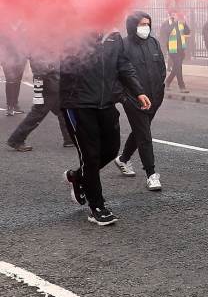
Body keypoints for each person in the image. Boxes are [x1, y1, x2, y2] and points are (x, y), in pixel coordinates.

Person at [61, 31, 150, 226]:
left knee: (111, 149)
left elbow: (123, 65)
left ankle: (77, 177)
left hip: (106, 103)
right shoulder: (73, 33)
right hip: (79, 104)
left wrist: (138, 91)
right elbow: (64, 64)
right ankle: (97, 207)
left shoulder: (113, 36)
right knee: (90, 156)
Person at [113, 12, 166, 191]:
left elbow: (161, 68)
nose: (146, 27)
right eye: (142, 24)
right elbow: (118, 74)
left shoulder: (153, 43)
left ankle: (123, 159)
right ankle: (151, 174)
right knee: (144, 134)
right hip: (133, 99)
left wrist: (160, 90)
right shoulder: (123, 45)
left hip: (154, 98)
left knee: (139, 131)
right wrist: (125, 97)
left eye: (148, 24)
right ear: (132, 25)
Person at [6, 56, 73, 150]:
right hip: (47, 80)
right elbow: (40, 62)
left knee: (62, 110)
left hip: (48, 79)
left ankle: (69, 138)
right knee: (38, 112)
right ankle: (16, 139)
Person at [162, 10, 192, 92]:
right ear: (170, 15)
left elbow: (187, 31)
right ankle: (182, 87)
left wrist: (185, 23)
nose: (175, 16)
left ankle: (167, 82)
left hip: (181, 49)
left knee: (176, 67)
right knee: (178, 66)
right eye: (173, 14)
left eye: (176, 14)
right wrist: (174, 22)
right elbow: (167, 32)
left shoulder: (180, 23)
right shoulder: (167, 24)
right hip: (172, 49)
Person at [1, 34, 27, 116]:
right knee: (10, 81)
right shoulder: (5, 28)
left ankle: (15, 105)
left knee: (17, 81)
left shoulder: (23, 28)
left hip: (21, 58)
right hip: (7, 59)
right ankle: (10, 106)